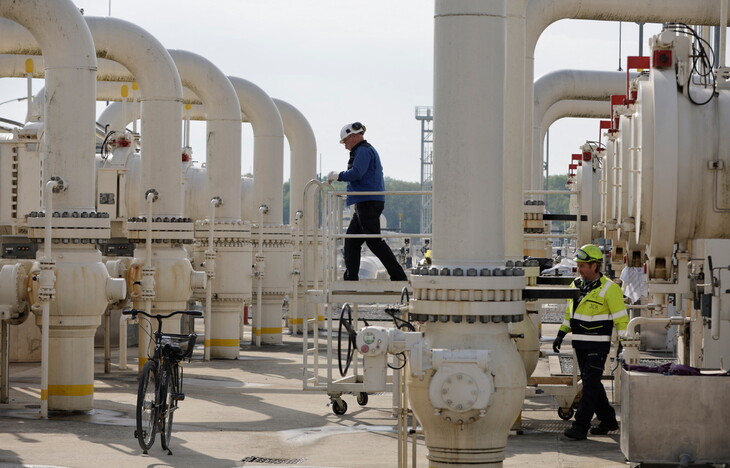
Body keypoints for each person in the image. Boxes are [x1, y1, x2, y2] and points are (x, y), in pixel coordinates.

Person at [552, 244, 628, 440]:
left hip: (598, 345)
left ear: (595, 266)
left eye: (583, 265)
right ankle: (608, 420)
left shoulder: (610, 289)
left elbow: (621, 318)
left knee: (590, 384)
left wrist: (625, 342)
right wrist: (561, 333)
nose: (579, 268)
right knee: (590, 382)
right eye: (578, 264)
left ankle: (581, 425)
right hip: (580, 343)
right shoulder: (575, 285)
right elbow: (570, 313)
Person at [327, 122, 407, 281]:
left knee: (374, 241)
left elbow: (357, 173)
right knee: (351, 241)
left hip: (367, 201)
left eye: (346, 141)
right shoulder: (365, 150)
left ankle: (398, 276)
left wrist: (338, 176)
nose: (345, 146)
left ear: (354, 136)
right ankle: (351, 276)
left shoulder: (363, 151)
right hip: (365, 202)